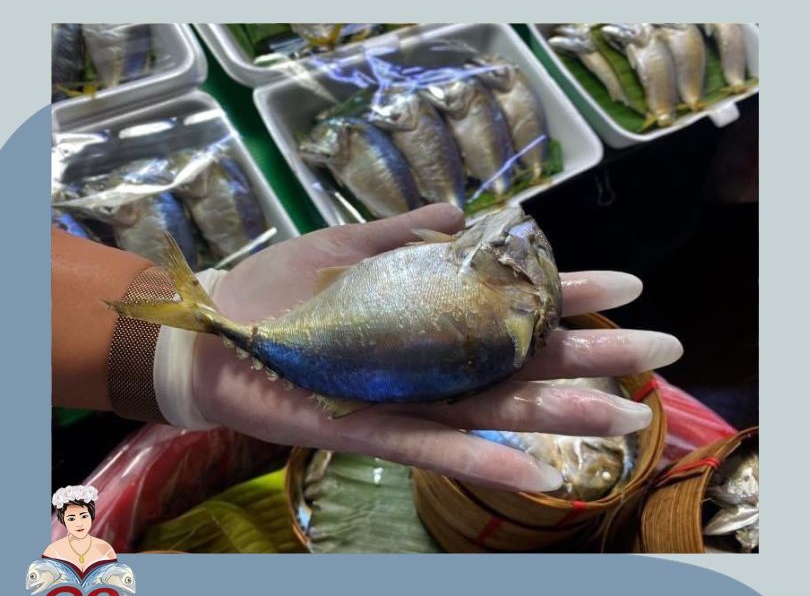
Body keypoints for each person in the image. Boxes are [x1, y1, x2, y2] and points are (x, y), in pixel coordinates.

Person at [52, 203, 682, 493]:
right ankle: (194, 319)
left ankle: (195, 318)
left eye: (528, 248)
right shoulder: (506, 301)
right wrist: (174, 357)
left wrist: (176, 355)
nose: (521, 231)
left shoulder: (508, 299)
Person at [44, 485, 116, 571]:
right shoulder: (54, 551)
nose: (79, 524)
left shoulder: (105, 547)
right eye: (71, 519)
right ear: (63, 521)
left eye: (84, 516)